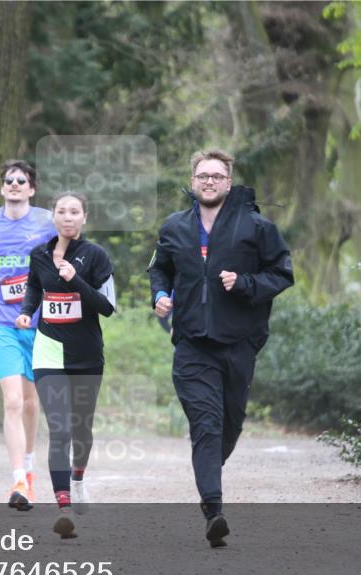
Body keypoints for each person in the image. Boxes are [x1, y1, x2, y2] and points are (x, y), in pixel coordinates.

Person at [148, 149, 293, 548]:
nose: (209, 181)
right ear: (193, 182)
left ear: (229, 183)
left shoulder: (256, 227)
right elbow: (160, 268)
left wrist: (245, 283)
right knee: (206, 424)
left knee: (228, 427)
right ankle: (214, 510)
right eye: (202, 175)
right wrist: (160, 294)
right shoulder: (175, 227)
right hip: (192, 344)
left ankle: (207, 466)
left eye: (216, 176)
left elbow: (282, 273)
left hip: (240, 342)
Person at [16, 192, 116, 538]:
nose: (68, 217)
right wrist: (28, 311)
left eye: (75, 212)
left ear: (84, 218)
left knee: (81, 430)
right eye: (62, 211)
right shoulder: (40, 254)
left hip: (87, 355)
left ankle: (78, 480)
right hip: (48, 351)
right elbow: (33, 287)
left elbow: (107, 307)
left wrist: (76, 280)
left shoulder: (96, 256)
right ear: (54, 217)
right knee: (59, 429)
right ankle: (63, 509)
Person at [0, 160, 56, 510]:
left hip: (39, 324)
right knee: (13, 401)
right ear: (2, 187)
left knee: (32, 402)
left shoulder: (48, 222)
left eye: (22, 180)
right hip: (1, 324)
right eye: (9, 180)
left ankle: (30, 469)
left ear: (32, 189)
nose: (15, 184)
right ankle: (18, 480)